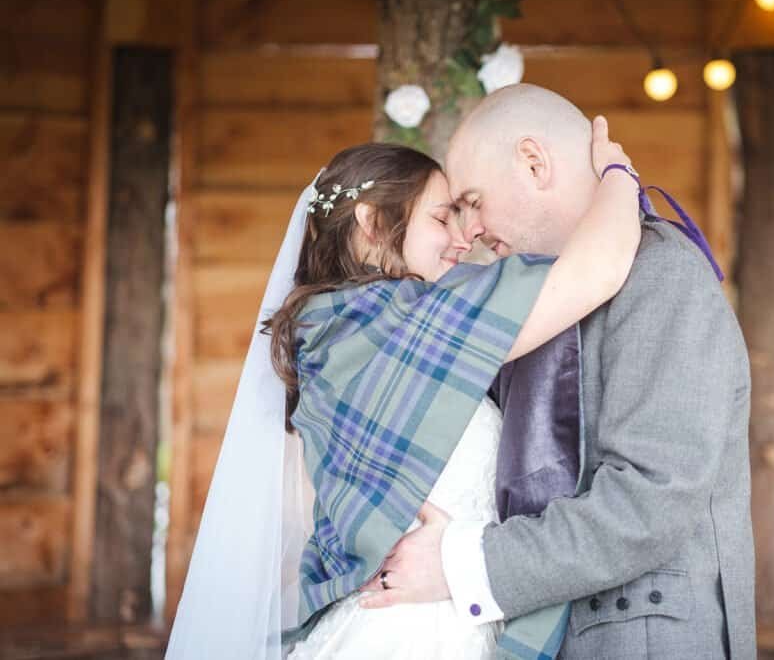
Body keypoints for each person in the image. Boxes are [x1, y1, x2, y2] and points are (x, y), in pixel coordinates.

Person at [164, 118, 640, 659]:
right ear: (372, 222)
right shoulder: (387, 320)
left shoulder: (347, 329)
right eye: (443, 218)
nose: (463, 239)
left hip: (428, 617)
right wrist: (618, 172)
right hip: (410, 633)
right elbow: (597, 269)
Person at [358, 84, 757, 659]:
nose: (467, 231)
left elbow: (648, 500)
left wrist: (457, 564)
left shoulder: (661, 275)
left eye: (473, 200)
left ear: (533, 161)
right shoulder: (530, 300)